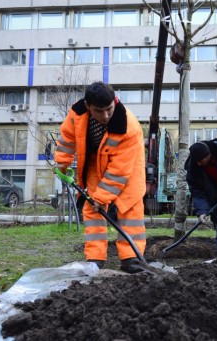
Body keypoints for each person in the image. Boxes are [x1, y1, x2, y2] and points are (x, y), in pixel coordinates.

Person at [54, 81, 146, 274]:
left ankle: (132, 259)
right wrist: (62, 162)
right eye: (98, 111)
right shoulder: (77, 114)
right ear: (88, 106)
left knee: (129, 210)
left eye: (109, 109)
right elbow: (67, 139)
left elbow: (119, 171)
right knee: (92, 210)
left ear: (115, 101)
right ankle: (95, 258)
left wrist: (102, 197)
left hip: (128, 168)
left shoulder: (128, 125)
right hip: (95, 163)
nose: (105, 116)